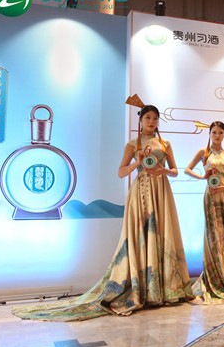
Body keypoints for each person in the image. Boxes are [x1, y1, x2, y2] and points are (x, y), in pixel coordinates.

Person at [12, 104, 195, 321]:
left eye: (155, 118)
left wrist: (164, 170)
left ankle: (164, 289)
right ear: (140, 120)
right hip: (141, 192)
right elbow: (121, 172)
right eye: (148, 117)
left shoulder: (165, 144)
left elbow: (174, 171)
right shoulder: (133, 144)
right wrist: (137, 163)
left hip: (161, 191)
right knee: (141, 236)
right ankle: (143, 288)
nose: (152, 122)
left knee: (162, 233)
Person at [185, 121, 224, 302]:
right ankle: (214, 277)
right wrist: (202, 176)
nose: (217, 135)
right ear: (209, 134)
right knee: (213, 235)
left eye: (220, 132)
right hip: (211, 195)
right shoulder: (204, 153)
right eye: (214, 132)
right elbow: (187, 169)